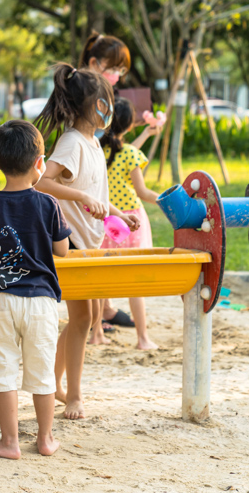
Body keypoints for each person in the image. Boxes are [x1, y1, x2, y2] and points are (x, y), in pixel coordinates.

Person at [33, 64, 139, 420]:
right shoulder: (72, 142)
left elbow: (94, 192)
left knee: (90, 316)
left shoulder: (93, 142)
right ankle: (72, 395)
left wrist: (118, 213)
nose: (108, 109)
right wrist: (79, 197)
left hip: (91, 241)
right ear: (87, 106)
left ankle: (55, 384)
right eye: (103, 102)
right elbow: (43, 184)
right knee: (82, 318)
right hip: (71, 242)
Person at [0, 120, 69, 458]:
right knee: (42, 373)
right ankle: (45, 439)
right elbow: (62, 250)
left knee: (3, 372)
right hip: (41, 302)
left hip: (0, 300)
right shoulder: (49, 204)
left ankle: (9, 442)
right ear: (40, 163)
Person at [78, 31, 156, 332]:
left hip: (99, 199)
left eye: (122, 71)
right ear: (96, 63)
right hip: (86, 190)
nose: (118, 76)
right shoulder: (82, 90)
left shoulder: (117, 146)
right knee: (96, 266)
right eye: (115, 69)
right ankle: (98, 320)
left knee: (98, 265)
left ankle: (102, 315)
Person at [99, 98, 160, 350]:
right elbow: (143, 191)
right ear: (128, 124)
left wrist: (146, 134)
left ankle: (95, 333)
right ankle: (142, 338)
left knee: (99, 278)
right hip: (131, 220)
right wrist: (169, 201)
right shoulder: (131, 155)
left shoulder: (97, 150)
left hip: (105, 220)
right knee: (136, 280)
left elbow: (122, 152)